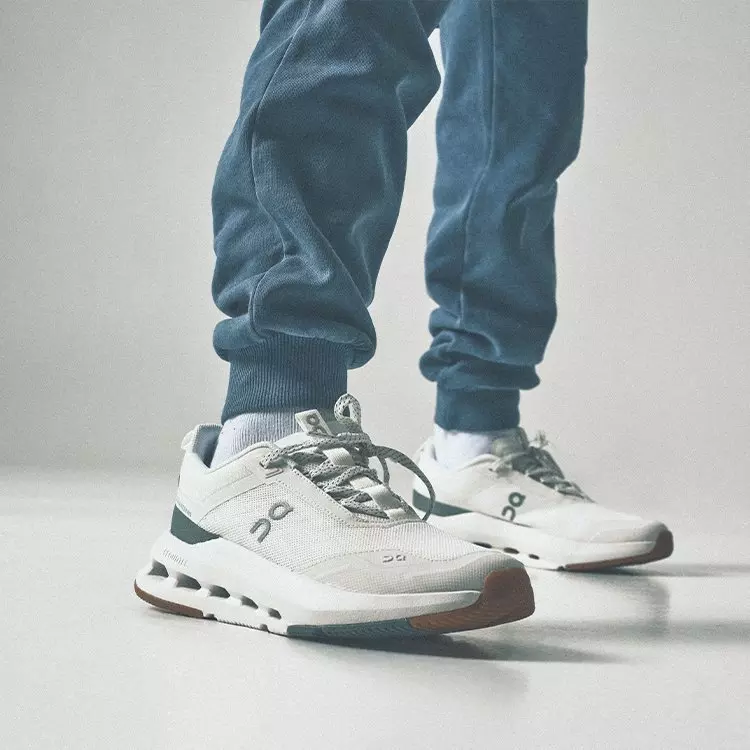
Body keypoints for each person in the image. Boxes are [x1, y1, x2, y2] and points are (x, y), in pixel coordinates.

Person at [133, 0, 672, 639]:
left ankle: (474, 445)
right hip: (263, 439)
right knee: (352, 24)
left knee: (523, 106)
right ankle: (264, 439)